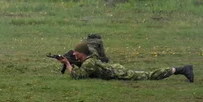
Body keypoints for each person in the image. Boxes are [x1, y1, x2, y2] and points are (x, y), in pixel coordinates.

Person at [56, 41, 194, 83]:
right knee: (147, 75)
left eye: (76, 52)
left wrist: (68, 64)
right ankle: (181, 70)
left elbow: (78, 76)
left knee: (149, 75)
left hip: (120, 73)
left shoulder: (89, 63)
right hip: (115, 69)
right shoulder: (89, 60)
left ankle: (180, 70)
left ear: (82, 53)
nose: (74, 54)